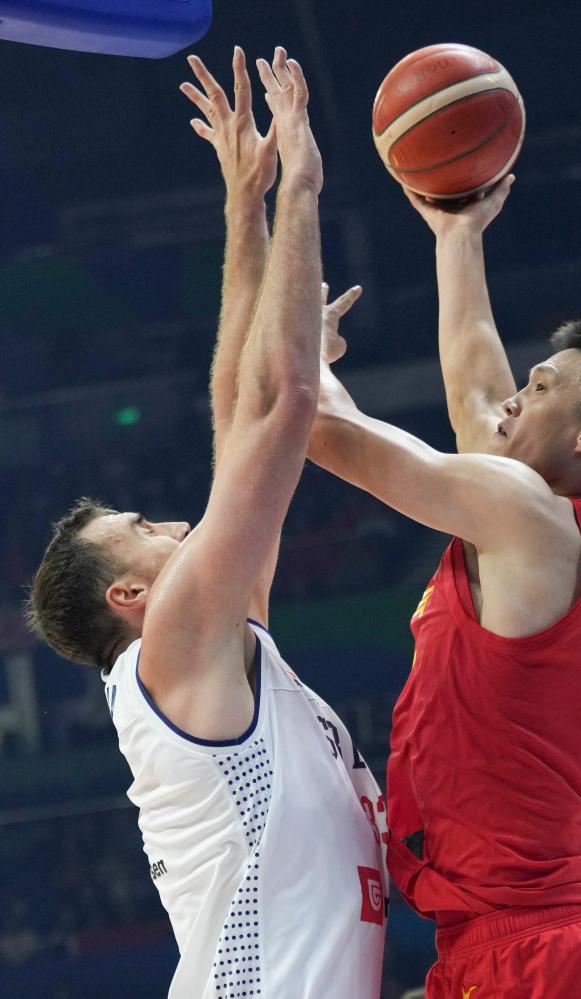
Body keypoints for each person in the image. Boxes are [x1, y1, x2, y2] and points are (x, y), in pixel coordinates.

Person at [26, 48, 387, 999]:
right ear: (130, 594)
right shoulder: (173, 650)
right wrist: (300, 186)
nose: (181, 520)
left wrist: (244, 206)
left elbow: (236, 411)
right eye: (147, 525)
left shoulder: (209, 648)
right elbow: (285, 402)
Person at [307, 176, 581, 998]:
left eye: (541, 388)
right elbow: (476, 395)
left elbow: (326, 432)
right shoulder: (547, 525)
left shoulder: (528, 517)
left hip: (540, 947)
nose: (516, 396)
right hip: (519, 939)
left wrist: (298, 351)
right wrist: (458, 236)